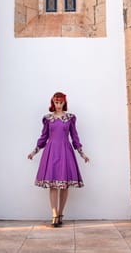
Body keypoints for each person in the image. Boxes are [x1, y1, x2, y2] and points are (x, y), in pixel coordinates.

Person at [28, 92, 89, 227]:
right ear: (53, 103)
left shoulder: (70, 118)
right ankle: (54, 214)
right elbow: (43, 137)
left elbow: (75, 137)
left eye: (61, 102)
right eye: (56, 102)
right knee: (53, 185)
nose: (58, 105)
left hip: (65, 152)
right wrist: (34, 151)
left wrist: (82, 153)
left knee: (64, 185)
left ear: (64, 103)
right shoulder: (48, 119)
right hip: (51, 152)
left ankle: (61, 213)